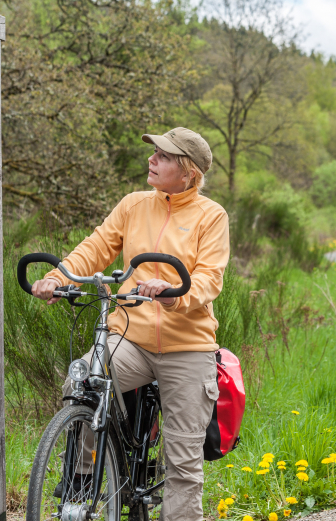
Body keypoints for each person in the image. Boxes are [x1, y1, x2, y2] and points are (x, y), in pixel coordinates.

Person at [30, 127, 229, 521]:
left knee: (183, 464)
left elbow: (210, 277)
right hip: (131, 336)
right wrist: (59, 277)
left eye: (163, 156)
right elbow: (97, 246)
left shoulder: (211, 215)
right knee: (83, 380)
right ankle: (86, 481)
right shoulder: (134, 204)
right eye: (153, 153)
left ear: (187, 171)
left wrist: (173, 291)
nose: (152, 160)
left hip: (187, 346)